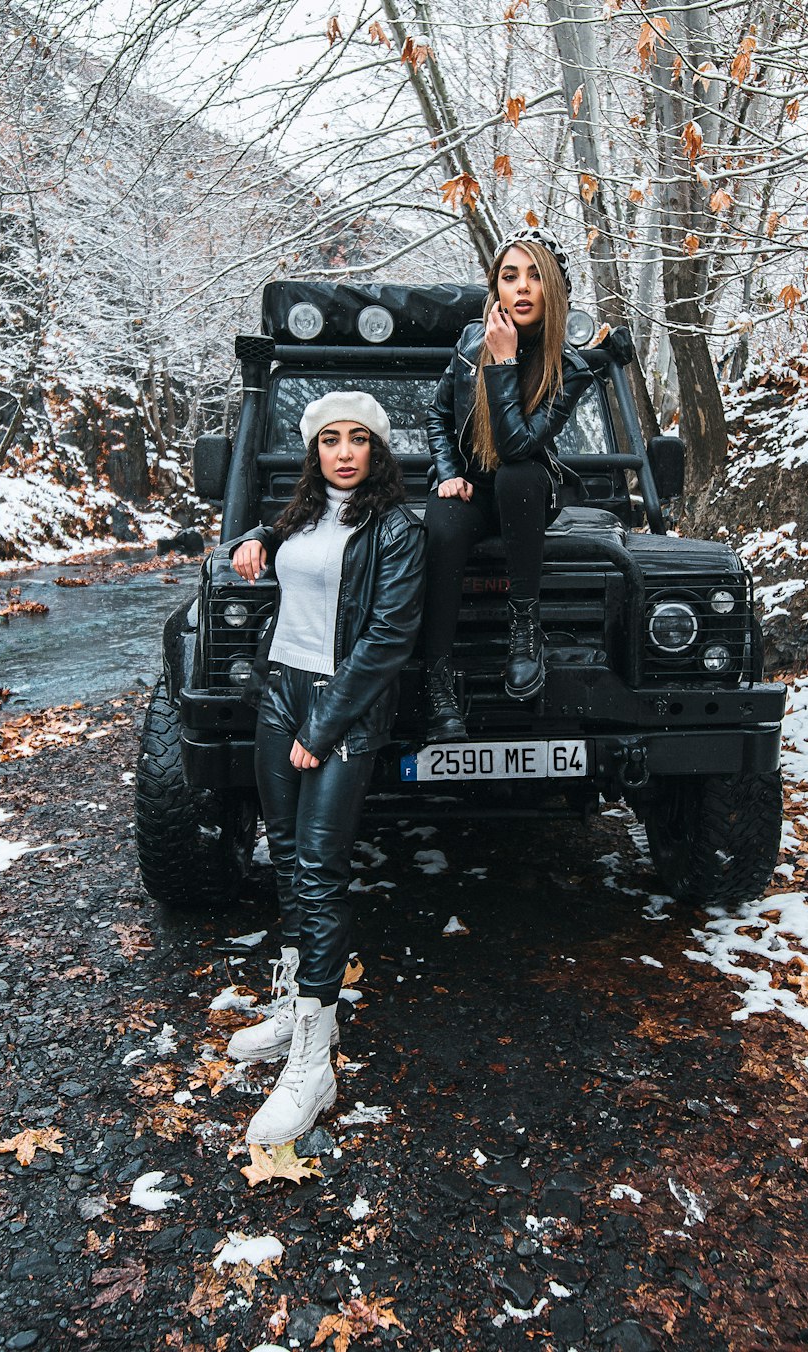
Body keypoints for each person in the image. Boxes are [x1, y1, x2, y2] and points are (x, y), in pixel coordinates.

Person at [225, 391, 425, 1145]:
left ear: (377, 450)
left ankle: (314, 1061)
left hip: (339, 707)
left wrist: (326, 722)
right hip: (278, 692)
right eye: (330, 440)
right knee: (284, 857)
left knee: (320, 866)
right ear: (315, 453)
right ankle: (295, 1006)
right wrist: (252, 537)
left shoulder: (397, 530)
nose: (344, 452)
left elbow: (387, 638)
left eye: (358, 440)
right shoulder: (303, 516)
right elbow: (278, 550)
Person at [422, 227, 593, 742]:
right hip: (470, 489)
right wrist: (449, 474)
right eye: (509, 276)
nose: (520, 288)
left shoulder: (570, 366)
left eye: (534, 276)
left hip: (523, 497)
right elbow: (436, 411)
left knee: (518, 475)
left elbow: (518, 445)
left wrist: (505, 360)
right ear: (494, 286)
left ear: (553, 290)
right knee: (443, 528)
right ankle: (439, 686)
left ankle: (524, 632)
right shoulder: (469, 340)